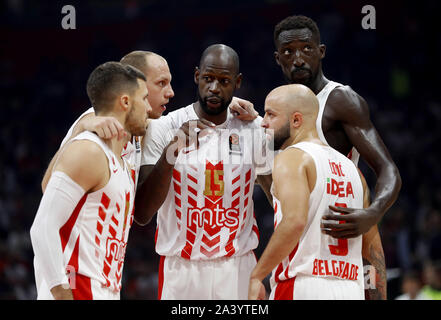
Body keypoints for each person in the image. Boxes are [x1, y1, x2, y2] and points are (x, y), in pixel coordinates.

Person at [134, 44, 272, 299]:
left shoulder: (253, 128)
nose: (214, 88)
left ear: (237, 82)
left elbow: (278, 197)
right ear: (197, 76)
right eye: (208, 78)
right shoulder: (164, 127)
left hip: (239, 266)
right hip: (181, 271)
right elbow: (141, 213)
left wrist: (264, 125)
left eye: (224, 81)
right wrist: (172, 152)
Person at [41, 51, 256, 193]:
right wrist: (82, 126)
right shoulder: (97, 123)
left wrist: (223, 103)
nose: (170, 93)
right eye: (161, 83)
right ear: (136, 87)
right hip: (74, 259)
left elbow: (184, 117)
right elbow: (49, 188)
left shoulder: (142, 125)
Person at [248, 84, 383, 300]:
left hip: (303, 285)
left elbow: (294, 221)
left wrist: (256, 276)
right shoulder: (353, 171)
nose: (263, 122)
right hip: (351, 288)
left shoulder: (291, 157)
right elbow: (373, 249)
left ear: (296, 120)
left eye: (270, 114)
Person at [30, 62, 152, 299]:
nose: (148, 107)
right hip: (76, 287)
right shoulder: (89, 150)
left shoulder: (122, 161)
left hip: (105, 288)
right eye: (144, 98)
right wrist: (61, 291)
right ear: (125, 102)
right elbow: (42, 227)